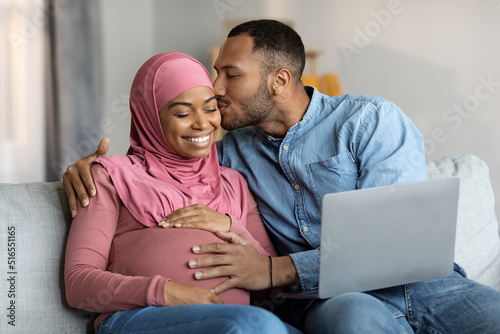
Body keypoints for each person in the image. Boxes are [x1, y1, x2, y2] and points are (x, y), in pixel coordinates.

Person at [64, 20, 500, 333]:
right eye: (215, 72)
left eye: (229, 74)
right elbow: (163, 160)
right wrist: (86, 168)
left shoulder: (369, 120)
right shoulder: (229, 154)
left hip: (430, 288)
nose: (214, 87)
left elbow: (394, 242)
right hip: (335, 303)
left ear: (279, 80)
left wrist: (277, 269)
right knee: (353, 319)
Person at [64, 51, 302, 334]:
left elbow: (272, 281)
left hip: (239, 322)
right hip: (137, 319)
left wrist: (231, 226)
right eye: (183, 113)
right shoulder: (111, 176)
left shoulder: (234, 183)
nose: (202, 124)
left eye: (211, 109)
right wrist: (163, 291)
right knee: (253, 324)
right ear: (150, 117)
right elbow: (78, 284)